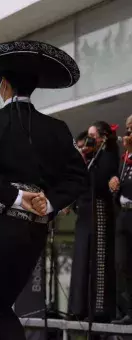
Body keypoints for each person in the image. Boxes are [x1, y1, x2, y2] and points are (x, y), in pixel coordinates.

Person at [0, 40, 89, 340]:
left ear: (4, 86)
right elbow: (80, 177)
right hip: (34, 231)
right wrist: (49, 203)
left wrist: (16, 197)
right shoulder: (58, 130)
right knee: (2, 309)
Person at [68, 121, 119, 322]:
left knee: (98, 259)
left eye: (92, 136)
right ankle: (78, 307)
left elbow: (98, 183)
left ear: (102, 138)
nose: (88, 141)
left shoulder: (107, 157)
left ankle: (99, 308)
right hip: (84, 214)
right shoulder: (89, 158)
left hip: (99, 213)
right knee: (81, 258)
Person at [109, 115, 132, 325]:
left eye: (131, 129)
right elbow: (117, 180)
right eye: (127, 129)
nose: (128, 133)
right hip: (124, 214)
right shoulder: (125, 158)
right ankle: (128, 311)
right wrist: (113, 183)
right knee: (122, 263)